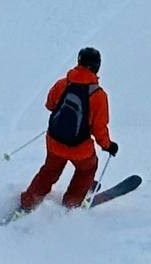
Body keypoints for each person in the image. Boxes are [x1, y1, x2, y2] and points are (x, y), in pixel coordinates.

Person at [19, 48, 117, 212]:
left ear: (79, 62)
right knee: (87, 169)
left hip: (54, 142)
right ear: (97, 66)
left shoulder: (62, 83)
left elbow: (50, 105)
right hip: (79, 148)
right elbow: (99, 128)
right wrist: (108, 146)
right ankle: (71, 204)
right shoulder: (98, 95)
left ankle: (29, 202)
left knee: (49, 171)